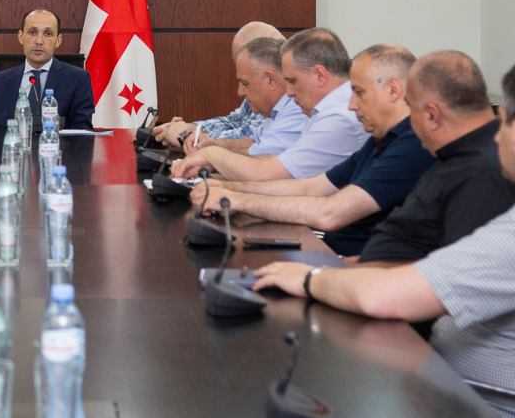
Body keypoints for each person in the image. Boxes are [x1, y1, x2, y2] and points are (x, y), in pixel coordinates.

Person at [252, 53, 515, 416]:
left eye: (502, 122)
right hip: (483, 383)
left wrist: (309, 277)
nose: (496, 137)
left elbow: (381, 297)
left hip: (482, 401)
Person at [192, 45, 434, 256]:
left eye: (359, 92)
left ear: (393, 90)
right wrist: (229, 188)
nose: (351, 105)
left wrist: (237, 200)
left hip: (353, 265)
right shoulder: (381, 139)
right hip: (334, 251)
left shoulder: (412, 146)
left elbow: (329, 213)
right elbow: (310, 187)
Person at [356, 50, 515, 264]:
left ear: (432, 115)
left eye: (411, 110)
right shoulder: (454, 155)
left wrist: (345, 276)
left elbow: (456, 270)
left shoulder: (481, 173)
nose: (410, 122)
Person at [173, 27, 368, 181]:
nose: (289, 92)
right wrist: (215, 163)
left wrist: (213, 157)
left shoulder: (338, 117)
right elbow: (260, 150)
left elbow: (270, 173)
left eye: (292, 81)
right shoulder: (323, 110)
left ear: (319, 75)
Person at [153, 21, 286, 152]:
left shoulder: (291, 102)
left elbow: (250, 142)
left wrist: (187, 136)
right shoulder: (261, 91)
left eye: (245, 82)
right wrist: (191, 128)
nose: (240, 91)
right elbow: (234, 121)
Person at [0, 8, 96, 132]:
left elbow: (82, 133)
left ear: (58, 40)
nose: (39, 41)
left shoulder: (78, 79)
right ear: (21, 36)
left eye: (48, 34)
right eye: (33, 32)